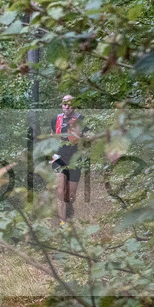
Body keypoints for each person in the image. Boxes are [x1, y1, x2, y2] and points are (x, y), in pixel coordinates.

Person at [51, 94, 85, 222]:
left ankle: (69, 206)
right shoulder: (55, 120)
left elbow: (87, 140)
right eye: (65, 104)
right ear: (62, 105)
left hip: (75, 158)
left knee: (71, 196)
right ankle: (63, 224)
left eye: (70, 104)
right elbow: (53, 136)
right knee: (60, 192)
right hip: (59, 158)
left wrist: (77, 135)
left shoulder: (81, 119)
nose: (67, 107)